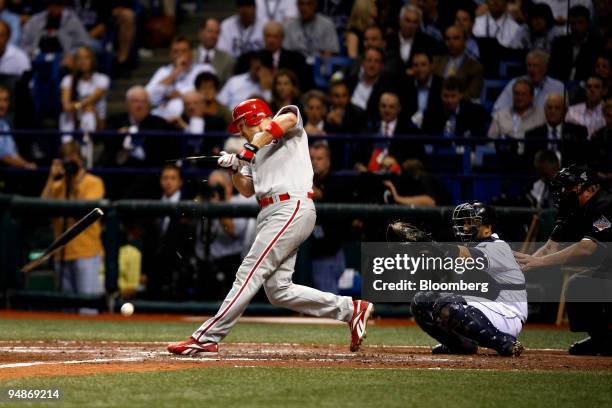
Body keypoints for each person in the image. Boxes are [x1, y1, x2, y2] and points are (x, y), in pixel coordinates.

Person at [167, 98, 374, 355]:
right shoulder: (256, 152)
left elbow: (282, 123)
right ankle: (350, 309)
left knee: (249, 271)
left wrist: (248, 150)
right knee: (279, 291)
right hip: (270, 211)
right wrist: (235, 168)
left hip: (291, 205)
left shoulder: (285, 119)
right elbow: (246, 190)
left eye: (241, 125)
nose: (240, 132)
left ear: (252, 118)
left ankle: (206, 336)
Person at [396, 202, 527, 356]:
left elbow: (465, 255)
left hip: (508, 313)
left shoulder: (497, 246)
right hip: (487, 306)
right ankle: (460, 345)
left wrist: (430, 244)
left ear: (488, 228)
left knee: (449, 304)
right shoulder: (474, 246)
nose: (465, 227)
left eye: (472, 223)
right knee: (422, 301)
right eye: (464, 223)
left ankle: (505, 343)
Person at [514, 165, 612, 356]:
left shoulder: (607, 206)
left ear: (589, 189)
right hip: (608, 268)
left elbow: (586, 248)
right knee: (579, 285)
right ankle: (603, 341)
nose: (564, 193)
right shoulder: (573, 210)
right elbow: (551, 247)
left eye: (570, 188)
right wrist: (520, 267)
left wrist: (540, 263)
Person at [40, 140, 105, 314]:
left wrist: (74, 182)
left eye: (72, 160)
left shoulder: (94, 182)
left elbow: (83, 212)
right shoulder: (58, 185)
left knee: (87, 309)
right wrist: (51, 177)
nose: (69, 165)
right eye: (66, 160)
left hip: (87, 253)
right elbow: (40, 206)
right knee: (66, 312)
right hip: (62, 253)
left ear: (80, 161)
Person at [142, 163, 194, 299]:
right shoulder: (152, 204)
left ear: (180, 182)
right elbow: (147, 240)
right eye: (165, 178)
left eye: (173, 178)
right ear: (160, 181)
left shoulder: (188, 206)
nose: (168, 182)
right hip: (154, 269)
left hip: (178, 270)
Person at [145, 35, 215, 120]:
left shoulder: (204, 69)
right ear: (170, 55)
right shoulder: (163, 71)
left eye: (183, 51)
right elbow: (148, 96)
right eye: (175, 51)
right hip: (163, 119)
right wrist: (175, 73)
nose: (179, 54)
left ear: (191, 53)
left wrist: (181, 96)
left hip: (193, 117)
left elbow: (208, 94)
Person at [309, 141, 347, 294]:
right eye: (312, 158)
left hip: (330, 254)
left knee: (329, 305)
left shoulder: (336, 181)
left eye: (319, 159)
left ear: (328, 161)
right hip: (314, 252)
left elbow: (318, 194)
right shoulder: (312, 179)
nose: (314, 162)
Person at [525, 92, 589, 166]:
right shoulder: (532, 135)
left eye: (557, 108)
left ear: (565, 111)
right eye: (549, 107)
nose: (552, 111)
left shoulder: (578, 132)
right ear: (545, 110)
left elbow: (582, 160)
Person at [493, 50, 565, 112]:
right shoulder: (515, 83)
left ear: (545, 68)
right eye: (529, 65)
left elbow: (563, 112)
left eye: (535, 65)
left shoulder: (558, 87)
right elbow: (498, 108)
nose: (531, 69)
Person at [59, 46, 110, 134]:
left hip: (97, 120)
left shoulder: (103, 79)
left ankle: (86, 143)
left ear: (93, 60)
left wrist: (76, 106)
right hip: (73, 118)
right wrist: (79, 106)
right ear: (75, 61)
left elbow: (92, 100)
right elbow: (66, 107)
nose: (83, 62)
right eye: (79, 58)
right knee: (66, 116)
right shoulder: (68, 80)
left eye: (86, 58)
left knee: (89, 112)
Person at [19, 0, 89, 62]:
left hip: (64, 56)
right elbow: (24, 42)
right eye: (51, 5)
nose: (53, 8)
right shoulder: (36, 20)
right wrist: (30, 53)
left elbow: (83, 43)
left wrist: (71, 55)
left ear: (62, 6)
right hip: (37, 56)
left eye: (57, 5)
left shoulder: (72, 21)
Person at [386, 4, 443, 76]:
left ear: (419, 24)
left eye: (415, 22)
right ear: (400, 21)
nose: (410, 25)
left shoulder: (427, 42)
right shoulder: (388, 40)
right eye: (407, 20)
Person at [548, 6, 603, 81]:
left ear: (588, 23)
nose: (576, 27)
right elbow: (553, 69)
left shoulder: (596, 45)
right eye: (573, 23)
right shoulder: (560, 43)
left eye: (580, 23)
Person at [432, 25, 484, 101]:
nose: (451, 42)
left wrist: (450, 99)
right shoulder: (435, 62)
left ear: (465, 41)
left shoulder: (475, 67)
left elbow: (473, 93)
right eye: (448, 39)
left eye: (456, 38)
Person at [399, 51, 443, 130]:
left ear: (431, 66)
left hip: (435, 132)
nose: (419, 69)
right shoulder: (404, 85)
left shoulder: (441, 85)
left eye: (423, 65)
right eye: (416, 65)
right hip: (410, 132)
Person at [0, 85, 35, 169]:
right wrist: (25, 165)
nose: (2, 105)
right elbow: (2, 155)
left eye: (5, 100)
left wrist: (28, 165)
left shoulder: (4, 125)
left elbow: (12, 153)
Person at [194, 18, 235, 87]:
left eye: (216, 32)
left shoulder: (227, 59)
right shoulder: (190, 55)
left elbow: (228, 87)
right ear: (200, 33)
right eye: (210, 31)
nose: (213, 36)